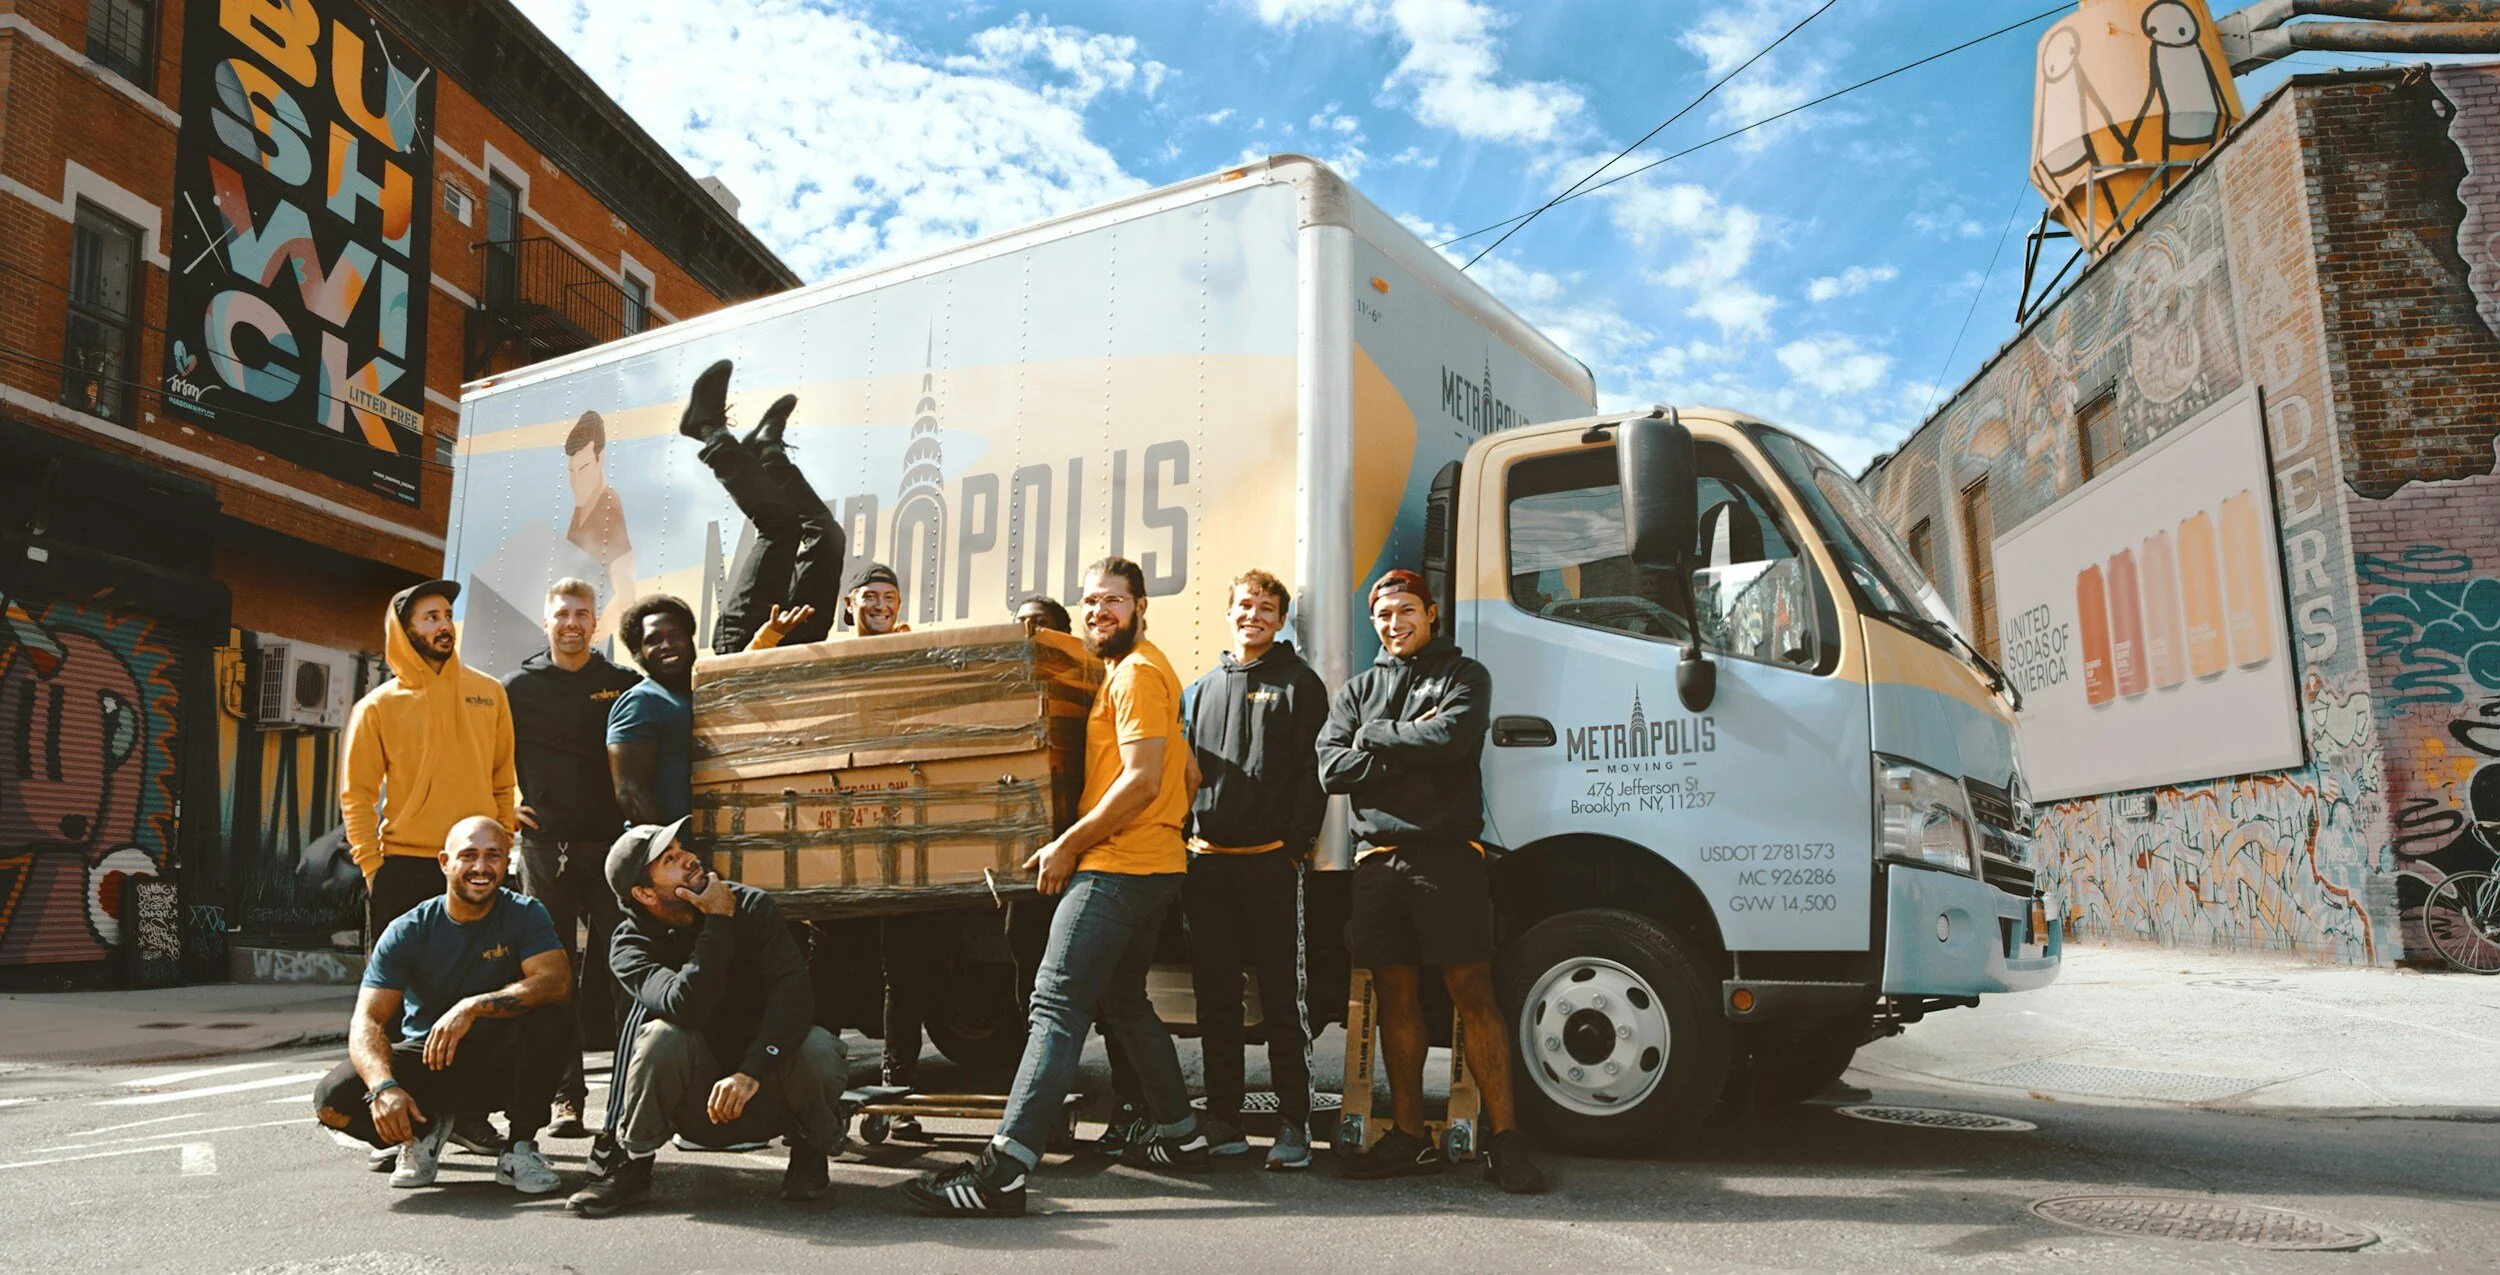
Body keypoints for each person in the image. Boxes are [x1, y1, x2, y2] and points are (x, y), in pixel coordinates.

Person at [904, 557, 1206, 1216]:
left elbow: (1145, 779)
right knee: (1124, 1001)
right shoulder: (1142, 670)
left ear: (1141, 606)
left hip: (1117, 866)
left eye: (1114, 600)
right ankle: (1182, 1134)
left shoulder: (1137, 675)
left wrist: (1070, 843)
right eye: (1091, 600)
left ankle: (1004, 1169)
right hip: (1156, 865)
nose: (1100, 610)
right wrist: (1165, 833)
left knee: (1055, 1004)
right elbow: (1191, 777)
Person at [1317, 568, 1544, 1193]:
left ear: (1431, 613)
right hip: (1377, 863)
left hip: (1448, 855)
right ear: (1374, 621)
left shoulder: (1466, 676)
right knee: (1395, 997)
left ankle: (1505, 1141)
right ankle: (1412, 1138)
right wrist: (1404, 744)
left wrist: (1378, 738)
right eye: (1385, 615)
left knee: (1474, 992)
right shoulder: (1357, 689)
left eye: (1407, 611)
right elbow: (1333, 770)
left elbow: (1452, 737)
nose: (1396, 623)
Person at [566, 819, 851, 1217]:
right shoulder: (630, 945)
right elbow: (686, 1007)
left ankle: (809, 1151)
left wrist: (751, 1071)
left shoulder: (750, 906)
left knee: (817, 1046)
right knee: (661, 1037)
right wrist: (717, 921)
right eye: (670, 859)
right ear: (645, 893)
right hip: (696, 1106)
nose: (689, 859)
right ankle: (632, 1167)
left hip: (766, 1086)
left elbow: (794, 996)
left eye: (683, 849)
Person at [340, 579, 519, 1160]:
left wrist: (502, 846)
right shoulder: (378, 707)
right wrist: (374, 868)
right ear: (404, 630)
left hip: (476, 867)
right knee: (395, 1002)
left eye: (447, 614)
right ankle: (397, 1121)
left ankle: (468, 1115)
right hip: (407, 866)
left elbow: (502, 781)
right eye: (428, 617)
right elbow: (358, 795)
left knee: (480, 992)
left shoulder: (489, 693)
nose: (443, 625)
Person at [311, 817, 570, 1195]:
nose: (481, 867)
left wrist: (472, 1007)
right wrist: (384, 1088)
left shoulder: (525, 913)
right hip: (432, 1062)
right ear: (444, 862)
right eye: (469, 856)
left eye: (493, 856)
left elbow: (556, 981)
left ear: (505, 863)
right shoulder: (408, 930)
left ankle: (520, 1149)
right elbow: (367, 1020)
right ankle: (422, 1132)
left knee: (553, 1017)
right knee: (331, 1100)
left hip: (503, 1062)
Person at [1181, 568, 1328, 1169]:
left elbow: (1310, 774)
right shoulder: (1199, 689)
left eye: (1267, 607)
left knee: (1282, 1002)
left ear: (1281, 618)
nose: (1254, 615)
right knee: (1215, 1001)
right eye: (1245, 604)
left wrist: (1293, 846)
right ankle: (1224, 1120)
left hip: (1270, 865)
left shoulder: (1300, 684)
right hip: (1206, 868)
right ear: (1229, 611)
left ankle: (1294, 1125)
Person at [1004, 593, 1145, 1154]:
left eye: (1042, 627)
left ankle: (1132, 1104)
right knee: (1032, 985)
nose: (1030, 635)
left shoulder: (1093, 683)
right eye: (1022, 626)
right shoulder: (1007, 693)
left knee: (1109, 992)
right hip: (1031, 863)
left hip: (1087, 856)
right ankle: (1039, 1101)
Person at [504, 577, 643, 1139]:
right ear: (547, 621)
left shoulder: (620, 683)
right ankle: (567, 1100)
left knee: (621, 972)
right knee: (553, 975)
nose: (572, 623)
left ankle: (630, 1097)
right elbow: (488, 752)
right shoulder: (518, 686)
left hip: (610, 851)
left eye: (582, 614)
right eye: (562, 613)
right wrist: (503, 801)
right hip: (545, 852)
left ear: (596, 624)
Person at [676, 359, 847, 654]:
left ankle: (708, 430)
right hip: (801, 641)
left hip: (746, 642)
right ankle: (767, 451)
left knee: (782, 526)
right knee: (827, 535)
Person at [608, 594, 698, 827]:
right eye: (654, 639)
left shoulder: (695, 695)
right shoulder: (640, 701)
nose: (667, 645)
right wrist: (670, 850)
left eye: (675, 635)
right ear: (639, 652)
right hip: (670, 853)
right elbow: (630, 791)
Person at [561, 411, 638, 646]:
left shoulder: (608, 507)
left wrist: (587, 644)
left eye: (583, 469)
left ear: (600, 458)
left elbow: (626, 595)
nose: (575, 482)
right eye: (571, 472)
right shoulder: (582, 505)